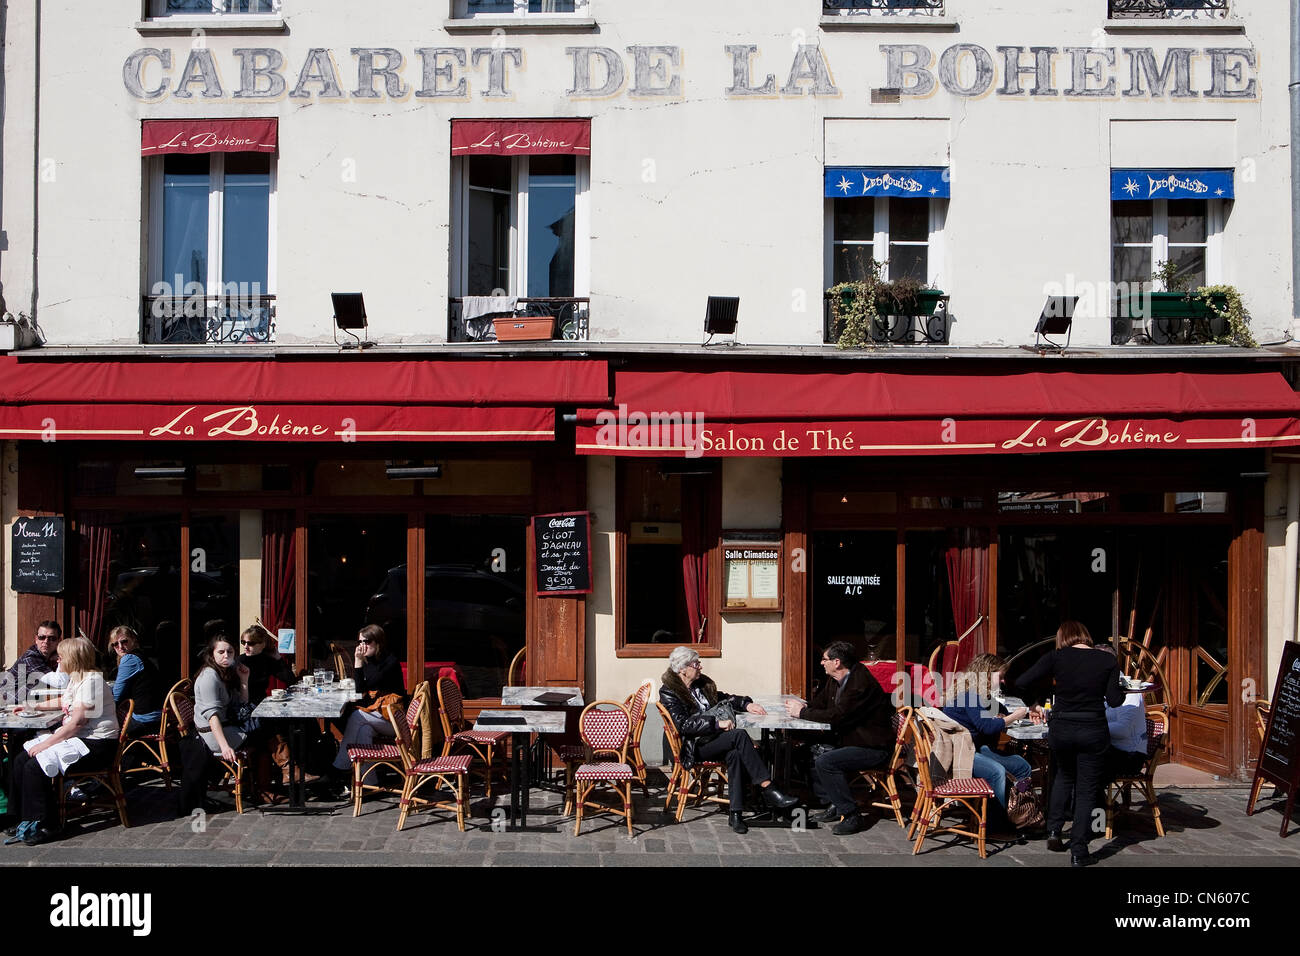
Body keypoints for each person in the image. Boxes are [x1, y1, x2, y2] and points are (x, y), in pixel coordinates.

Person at [1016, 620, 1125, 867]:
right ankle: (1079, 850)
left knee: (1062, 777)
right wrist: (1125, 691)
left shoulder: (1056, 657)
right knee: (1086, 789)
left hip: (1062, 727)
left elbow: (1021, 681)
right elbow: (1114, 700)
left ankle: (1054, 831)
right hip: (1093, 728)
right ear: (1085, 636)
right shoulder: (1107, 660)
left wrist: (1032, 704)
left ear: (1063, 637)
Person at [659, 645, 798, 834]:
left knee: (735, 754)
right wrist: (716, 724)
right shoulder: (669, 692)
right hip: (695, 746)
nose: (700, 667)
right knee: (739, 735)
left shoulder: (701, 686)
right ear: (682, 668)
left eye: (699, 663)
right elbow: (683, 725)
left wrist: (746, 704)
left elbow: (723, 698)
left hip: (713, 740)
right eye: (696, 663)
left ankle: (736, 814)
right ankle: (769, 789)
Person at [5, 636, 119, 846]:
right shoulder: (78, 678)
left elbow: (76, 723)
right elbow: (64, 701)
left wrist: (45, 744)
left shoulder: (92, 681)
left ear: (74, 659)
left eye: (62, 656)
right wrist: (32, 706)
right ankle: (23, 817)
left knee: (33, 765)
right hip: (80, 739)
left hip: (97, 745)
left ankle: (48, 823)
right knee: (21, 759)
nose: (58, 660)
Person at [783, 640, 894, 835]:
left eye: (824, 659)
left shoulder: (860, 684)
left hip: (872, 748)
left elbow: (837, 716)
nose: (821, 663)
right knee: (803, 750)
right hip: (851, 739)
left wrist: (802, 713)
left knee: (826, 761)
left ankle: (851, 815)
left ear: (837, 662)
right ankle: (832, 803)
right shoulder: (836, 680)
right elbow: (821, 704)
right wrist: (802, 708)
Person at [942, 653, 1036, 827]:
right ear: (986, 674)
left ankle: (1020, 812)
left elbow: (997, 707)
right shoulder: (968, 695)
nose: (1003, 682)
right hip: (959, 753)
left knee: (1021, 766)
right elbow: (988, 727)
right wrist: (1014, 716)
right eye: (1000, 677)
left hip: (972, 748)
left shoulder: (978, 694)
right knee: (996, 771)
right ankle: (995, 823)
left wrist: (1029, 711)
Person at [330, 624, 406, 779]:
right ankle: (369, 783)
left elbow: (367, 684)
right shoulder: (369, 660)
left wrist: (358, 661)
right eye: (360, 642)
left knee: (357, 716)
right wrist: (360, 662)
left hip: (394, 719)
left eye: (367, 641)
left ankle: (339, 768)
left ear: (378, 642)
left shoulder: (389, 661)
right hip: (379, 715)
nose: (363, 645)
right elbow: (360, 690)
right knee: (364, 730)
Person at [193, 633, 264, 764]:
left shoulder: (225, 672)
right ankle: (270, 779)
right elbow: (212, 716)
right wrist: (225, 747)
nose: (226, 655)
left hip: (229, 725)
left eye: (230, 652)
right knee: (266, 736)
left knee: (268, 728)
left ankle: (266, 779)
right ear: (212, 654)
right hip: (214, 734)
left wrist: (244, 680)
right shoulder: (209, 677)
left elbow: (242, 703)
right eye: (221, 652)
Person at [109, 625, 162, 737]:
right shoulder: (141, 654)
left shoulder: (130, 659)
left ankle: (117, 754)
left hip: (144, 719)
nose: (120, 647)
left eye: (124, 642)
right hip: (157, 715)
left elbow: (116, 697)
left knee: (101, 726)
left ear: (133, 639)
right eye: (115, 644)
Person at [5, 620, 61, 703]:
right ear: (36, 639)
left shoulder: (55, 654)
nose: (46, 641)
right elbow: (57, 682)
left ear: (58, 641)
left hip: (28, 698)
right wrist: (63, 661)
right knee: (41, 685)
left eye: (52, 638)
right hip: (7, 698)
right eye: (42, 637)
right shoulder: (30, 657)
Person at [238, 624, 294, 706]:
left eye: (251, 643)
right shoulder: (239, 661)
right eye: (243, 642)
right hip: (242, 705)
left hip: (260, 705)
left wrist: (278, 658)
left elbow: (290, 679)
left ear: (262, 645)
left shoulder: (267, 660)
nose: (246, 646)